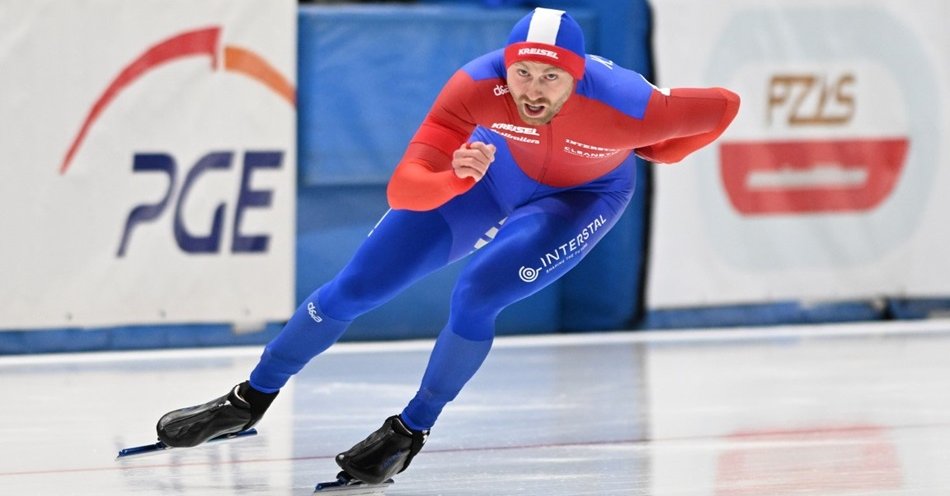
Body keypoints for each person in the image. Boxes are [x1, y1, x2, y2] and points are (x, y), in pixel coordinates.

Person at [155, 7, 739, 485]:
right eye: (523, 74)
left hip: (584, 197)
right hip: (489, 176)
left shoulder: (634, 106)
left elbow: (724, 105)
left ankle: (409, 431)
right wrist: (454, 177)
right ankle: (247, 400)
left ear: (578, 73)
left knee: (477, 295)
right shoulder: (476, 84)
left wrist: (668, 150)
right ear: (504, 67)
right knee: (357, 286)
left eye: (551, 77)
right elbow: (404, 188)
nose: (533, 93)